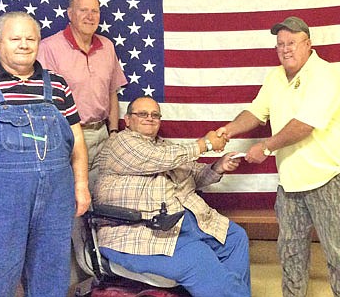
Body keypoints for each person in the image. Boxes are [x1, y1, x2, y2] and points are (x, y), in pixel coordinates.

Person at [217, 16, 340, 297]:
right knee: (291, 256)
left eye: (292, 43)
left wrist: (267, 147)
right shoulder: (275, 77)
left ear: (307, 44)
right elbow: (256, 112)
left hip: (328, 181)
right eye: (280, 44)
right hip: (290, 185)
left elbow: (305, 124)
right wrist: (228, 129)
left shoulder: (324, 75)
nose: (286, 49)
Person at [0, 11, 90, 296]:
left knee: (51, 276)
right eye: (15, 38)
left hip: (56, 197)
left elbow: (77, 139)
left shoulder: (57, 83)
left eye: (30, 38)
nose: (24, 44)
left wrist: (81, 186)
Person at [95, 96, 251, 297]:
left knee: (235, 238)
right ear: (127, 119)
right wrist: (206, 144)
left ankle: (228, 290)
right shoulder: (119, 143)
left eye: (155, 115)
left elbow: (193, 175)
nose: (149, 118)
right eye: (142, 114)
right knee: (199, 258)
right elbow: (159, 160)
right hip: (139, 231)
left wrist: (218, 166)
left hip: (187, 223)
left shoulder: (166, 146)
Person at [37, 0, 127, 193]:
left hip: (103, 135)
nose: (90, 16)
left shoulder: (107, 46)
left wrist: (113, 131)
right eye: (83, 10)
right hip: (69, 137)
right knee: (73, 199)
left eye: (94, 11)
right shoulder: (49, 48)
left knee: (103, 196)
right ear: (70, 14)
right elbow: (43, 101)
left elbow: (112, 91)